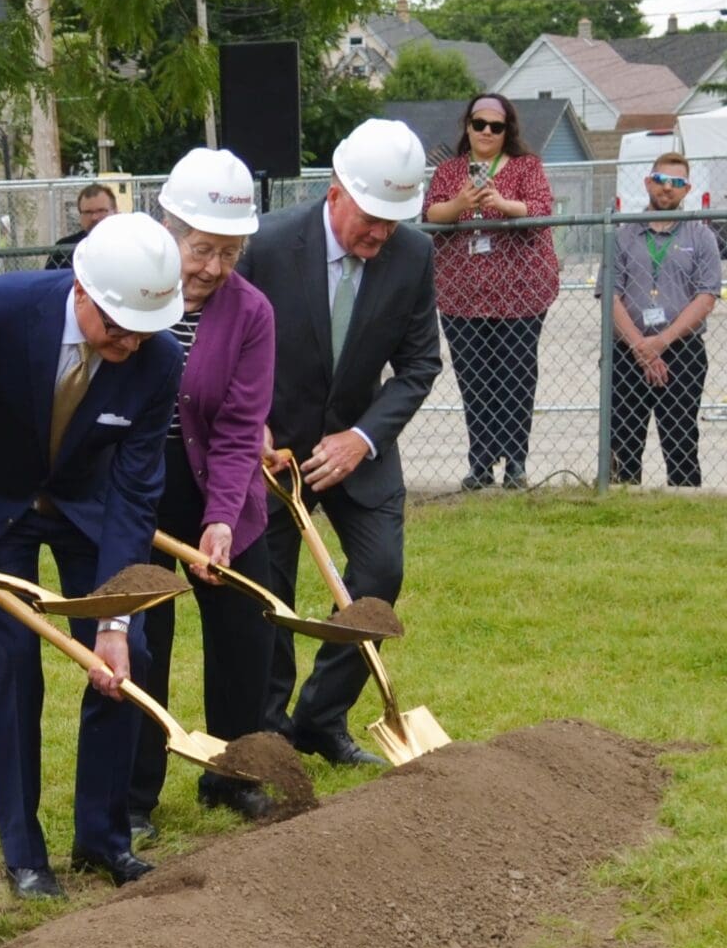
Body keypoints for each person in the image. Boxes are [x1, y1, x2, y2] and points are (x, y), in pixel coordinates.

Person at [0, 213, 186, 893]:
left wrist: (115, 622)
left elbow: (136, 488)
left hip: (87, 513)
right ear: (81, 290)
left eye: (141, 332)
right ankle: (25, 853)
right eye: (115, 327)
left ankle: (102, 837)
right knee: (18, 658)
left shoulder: (159, 359)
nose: (128, 343)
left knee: (130, 657)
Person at [249, 118, 442, 767]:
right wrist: (251, 425)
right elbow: (228, 343)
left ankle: (321, 720)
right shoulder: (269, 247)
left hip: (360, 449)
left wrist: (363, 437)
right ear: (336, 192)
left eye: (394, 221)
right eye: (372, 218)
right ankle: (271, 732)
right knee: (269, 595)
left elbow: (420, 365)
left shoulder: (413, 257)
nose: (382, 234)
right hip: (273, 452)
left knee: (380, 573)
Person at [128, 149, 280, 831]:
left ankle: (232, 772)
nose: (213, 268)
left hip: (221, 488)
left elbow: (241, 426)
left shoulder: (251, 313)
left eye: (230, 252)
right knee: (141, 638)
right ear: (167, 228)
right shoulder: (128, 286)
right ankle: (134, 795)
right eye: (201, 249)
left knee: (243, 639)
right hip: (139, 492)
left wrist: (219, 520)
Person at [423, 94, 558, 490]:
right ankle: (480, 462)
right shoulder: (449, 172)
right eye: (478, 124)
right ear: (467, 126)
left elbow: (541, 210)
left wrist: (502, 203)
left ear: (507, 131)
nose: (486, 132)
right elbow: (431, 214)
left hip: (520, 296)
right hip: (461, 296)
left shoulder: (526, 167)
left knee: (516, 376)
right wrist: (460, 203)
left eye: (495, 127)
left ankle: (515, 462)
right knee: (474, 378)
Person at [606, 150, 719, 489]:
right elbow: (610, 296)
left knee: (681, 439)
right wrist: (641, 346)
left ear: (687, 190)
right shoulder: (621, 235)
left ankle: (685, 506)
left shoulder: (701, 237)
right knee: (623, 441)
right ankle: (620, 505)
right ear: (647, 183)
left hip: (682, 352)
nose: (667, 188)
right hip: (627, 353)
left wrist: (661, 342)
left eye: (677, 182)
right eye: (661, 180)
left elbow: (706, 297)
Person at [45, 183, 118, 271]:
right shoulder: (63, 249)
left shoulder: (129, 243)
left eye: (101, 210)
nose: (94, 217)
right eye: (88, 212)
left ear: (115, 211)